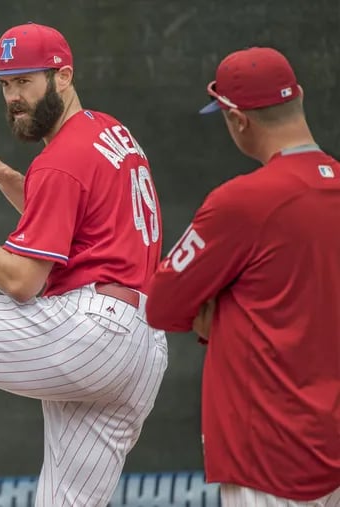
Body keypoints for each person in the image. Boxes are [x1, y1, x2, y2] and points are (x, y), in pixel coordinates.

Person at [0, 22, 168, 507]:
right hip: (142, 347)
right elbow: (67, 216)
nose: (13, 97)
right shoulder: (109, 131)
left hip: (92, 332)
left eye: (25, 81)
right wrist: (4, 173)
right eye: (5, 84)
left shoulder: (60, 160)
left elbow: (23, 282)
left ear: (63, 76)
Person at [146, 47, 340, 506]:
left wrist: (220, 307)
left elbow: (161, 305)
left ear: (237, 119)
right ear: (299, 96)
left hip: (267, 452)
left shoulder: (242, 202)